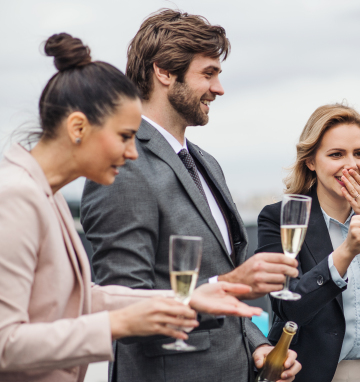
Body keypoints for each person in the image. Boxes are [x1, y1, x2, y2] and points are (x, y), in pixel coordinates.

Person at [0, 33, 262, 382]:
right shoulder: (16, 195)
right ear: (78, 127)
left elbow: (79, 299)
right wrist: (117, 324)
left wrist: (190, 299)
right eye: (125, 136)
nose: (133, 151)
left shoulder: (46, 194)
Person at [80, 9, 301, 382]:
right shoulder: (122, 166)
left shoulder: (207, 164)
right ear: (163, 72)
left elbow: (222, 287)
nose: (219, 88)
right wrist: (227, 285)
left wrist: (258, 345)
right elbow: (124, 302)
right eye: (208, 73)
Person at [256, 104, 360, 382]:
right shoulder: (279, 218)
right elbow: (287, 307)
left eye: (359, 154)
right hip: (303, 372)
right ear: (311, 161)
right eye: (336, 154)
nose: (351, 165)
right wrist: (346, 251)